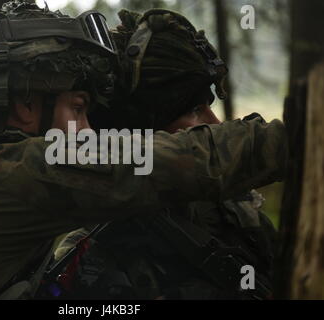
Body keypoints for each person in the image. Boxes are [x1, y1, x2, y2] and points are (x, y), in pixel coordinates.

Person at [0, 2, 286, 299]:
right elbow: (182, 162)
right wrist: (297, 137)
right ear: (26, 106)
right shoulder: (15, 170)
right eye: (78, 108)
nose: (88, 128)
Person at [46, 9, 281, 300]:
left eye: (207, 105)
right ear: (142, 134)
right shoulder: (89, 258)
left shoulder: (234, 213)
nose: (215, 124)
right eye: (194, 110)